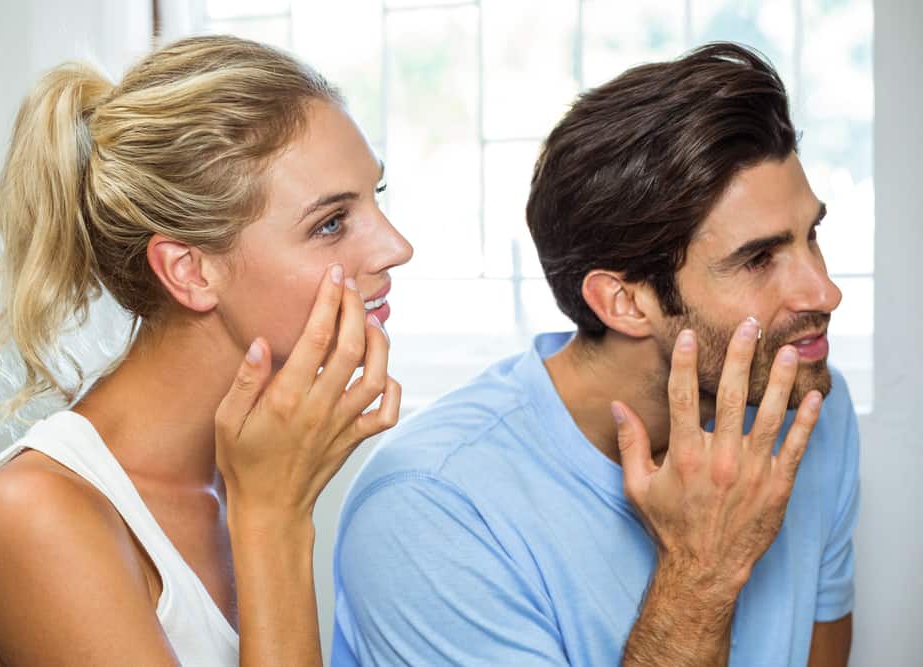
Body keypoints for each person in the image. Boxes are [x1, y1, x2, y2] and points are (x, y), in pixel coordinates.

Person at [332, 42, 858, 666]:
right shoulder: (429, 510)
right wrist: (701, 572)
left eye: (812, 235)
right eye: (758, 259)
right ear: (624, 303)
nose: (825, 291)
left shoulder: (804, 403)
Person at [0, 35, 412, 666]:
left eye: (377, 199)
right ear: (191, 272)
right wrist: (274, 525)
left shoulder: (262, 464)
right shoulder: (35, 515)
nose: (396, 247)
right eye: (331, 223)